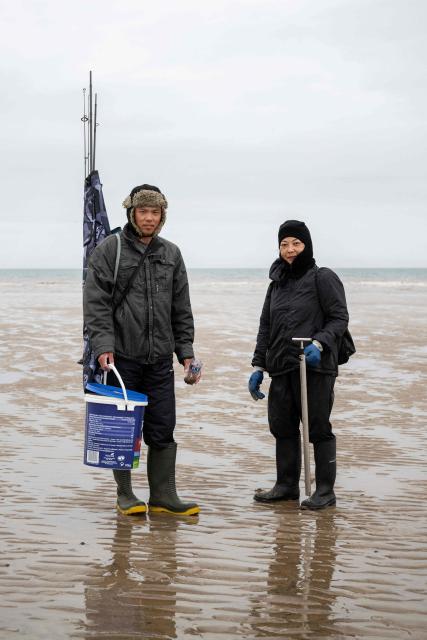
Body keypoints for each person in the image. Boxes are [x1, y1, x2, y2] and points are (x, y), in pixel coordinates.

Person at [83, 183, 200, 516]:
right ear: (131, 213)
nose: (149, 218)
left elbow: (181, 308)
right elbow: (96, 304)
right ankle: (126, 496)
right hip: (122, 359)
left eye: (155, 211)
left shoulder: (171, 254)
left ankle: (164, 496)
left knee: (163, 428)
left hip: (159, 360)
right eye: (143, 211)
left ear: (163, 215)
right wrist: (103, 345)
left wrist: (186, 353)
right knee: (123, 431)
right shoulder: (110, 249)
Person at [248, 220, 349, 510]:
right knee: (282, 427)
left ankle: (325, 491)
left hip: (314, 366)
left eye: (296, 243)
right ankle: (286, 485)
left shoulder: (323, 277)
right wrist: (258, 366)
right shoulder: (276, 284)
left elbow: (339, 318)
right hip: (281, 365)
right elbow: (266, 326)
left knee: (317, 427)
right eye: (283, 244)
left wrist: (319, 343)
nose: (289, 250)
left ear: (307, 246)